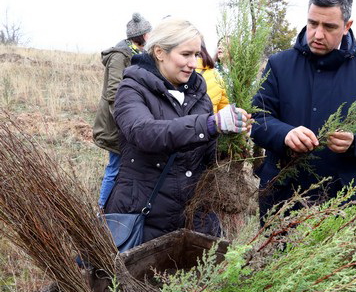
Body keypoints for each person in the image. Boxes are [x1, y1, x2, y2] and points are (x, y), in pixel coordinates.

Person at [251, 0, 356, 220]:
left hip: (346, 202)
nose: (318, 34)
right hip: (283, 199)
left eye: (329, 26)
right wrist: (285, 134)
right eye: (312, 23)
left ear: (347, 25)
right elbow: (258, 118)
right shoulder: (279, 65)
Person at [104, 17, 251, 243]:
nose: (193, 63)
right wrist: (211, 124)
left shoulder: (198, 93)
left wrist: (230, 139)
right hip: (145, 216)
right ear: (160, 52)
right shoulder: (132, 89)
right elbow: (144, 134)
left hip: (194, 218)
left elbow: (206, 156)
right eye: (185, 54)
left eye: (196, 54)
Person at [93, 13, 152, 209]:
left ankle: (115, 207)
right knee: (115, 166)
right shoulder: (120, 55)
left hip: (129, 119)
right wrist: (125, 120)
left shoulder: (139, 54)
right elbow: (113, 92)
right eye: (149, 32)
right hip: (116, 122)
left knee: (125, 166)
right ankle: (101, 210)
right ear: (142, 35)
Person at [196, 40, 229, 114]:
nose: (220, 47)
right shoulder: (215, 73)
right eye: (219, 45)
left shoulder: (240, 74)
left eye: (224, 44)